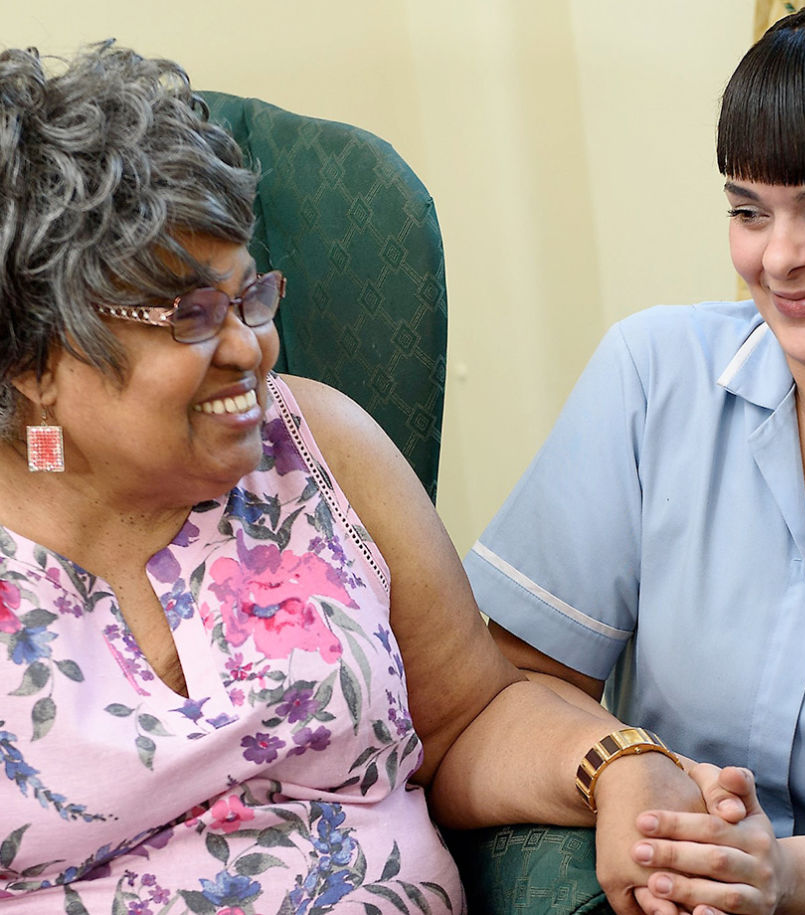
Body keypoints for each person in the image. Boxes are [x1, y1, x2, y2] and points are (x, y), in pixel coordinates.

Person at [0, 40, 655, 914]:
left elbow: (466, 721)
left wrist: (617, 765)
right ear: (36, 357)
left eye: (249, 299)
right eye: (191, 315)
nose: (249, 349)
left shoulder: (319, 446)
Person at [463, 1, 805, 912]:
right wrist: (622, 767)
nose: (780, 257)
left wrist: (780, 876)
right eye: (747, 210)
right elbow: (493, 697)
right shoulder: (656, 377)